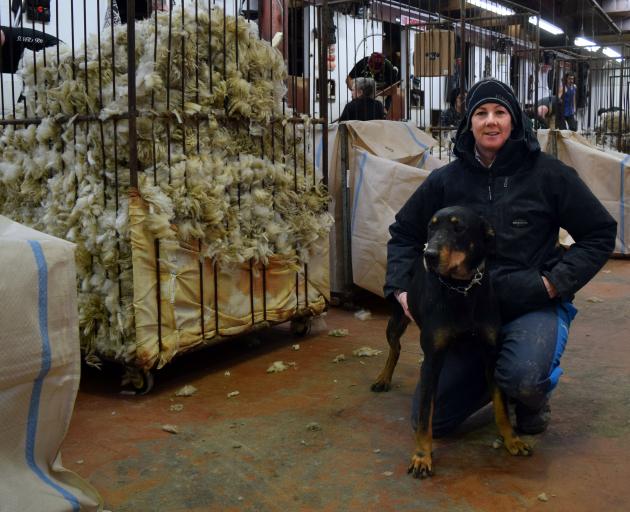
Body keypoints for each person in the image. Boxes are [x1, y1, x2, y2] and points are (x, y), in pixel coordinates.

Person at [385, 78, 616, 436]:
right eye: (481, 113)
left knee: (523, 377)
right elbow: (403, 234)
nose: (490, 121)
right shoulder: (447, 181)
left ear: (514, 122)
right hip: (465, 310)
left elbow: (600, 233)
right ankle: (492, 381)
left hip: (531, 303)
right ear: (469, 124)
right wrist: (400, 289)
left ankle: (527, 394)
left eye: (500, 112)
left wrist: (555, 282)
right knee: (433, 420)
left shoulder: (549, 176)